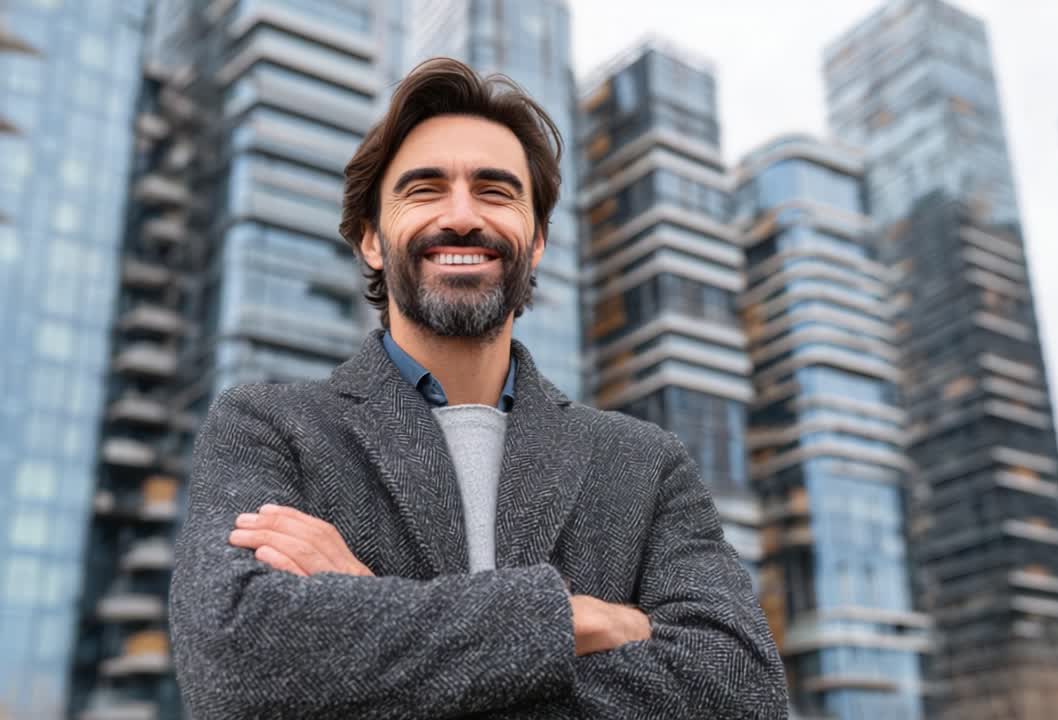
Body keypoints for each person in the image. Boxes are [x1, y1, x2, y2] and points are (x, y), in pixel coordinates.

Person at [169, 57, 787, 718]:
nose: (462, 216)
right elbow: (232, 660)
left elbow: (740, 691)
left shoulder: (644, 464)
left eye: (494, 191)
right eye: (425, 189)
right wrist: (576, 622)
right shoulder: (268, 428)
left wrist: (364, 614)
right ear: (372, 239)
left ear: (538, 240)